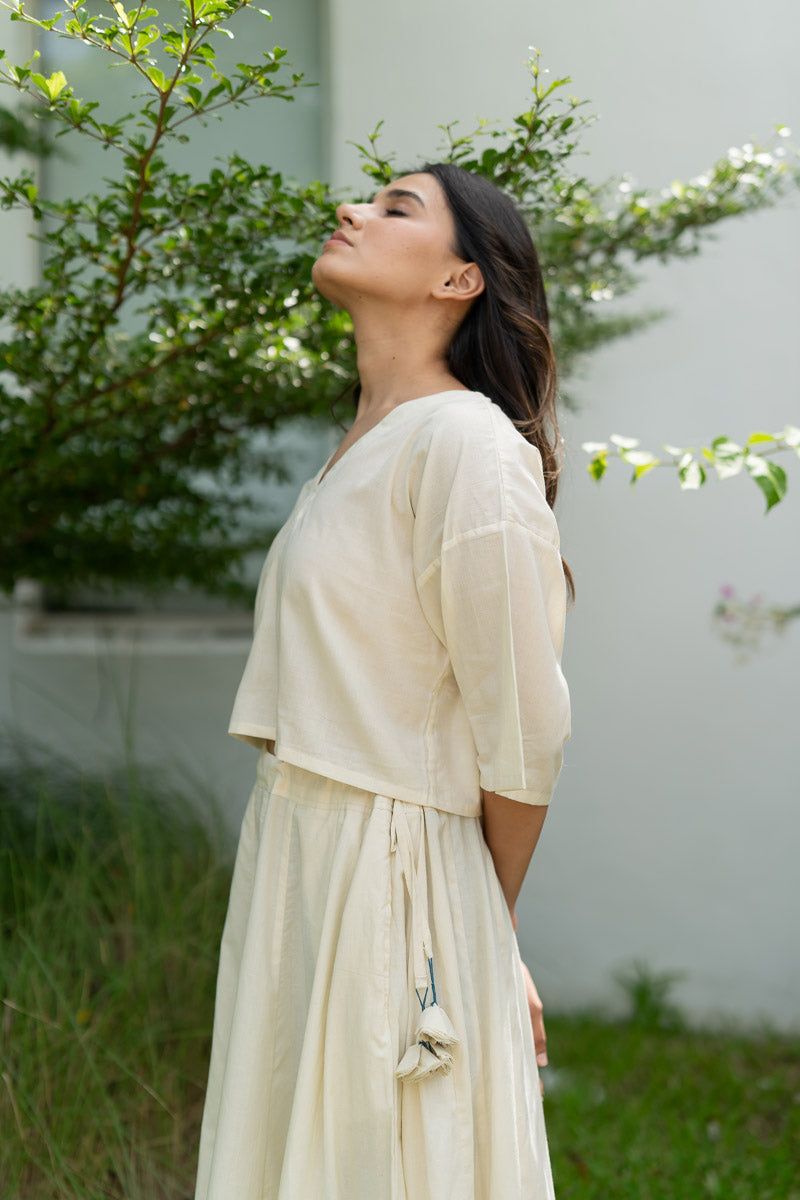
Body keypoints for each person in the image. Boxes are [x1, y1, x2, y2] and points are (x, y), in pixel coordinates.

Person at [194, 162, 571, 1200]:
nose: (350, 211)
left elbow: (523, 734)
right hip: (299, 854)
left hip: (388, 870)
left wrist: (480, 936)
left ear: (459, 280)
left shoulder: (462, 446)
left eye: (394, 207)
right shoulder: (358, 448)